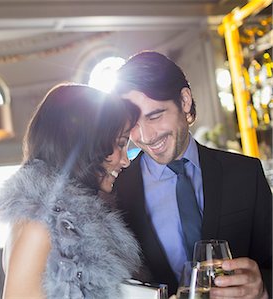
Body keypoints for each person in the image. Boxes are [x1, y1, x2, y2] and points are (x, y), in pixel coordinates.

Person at [113, 50, 272, 299]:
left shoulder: (245, 173)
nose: (145, 136)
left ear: (184, 101)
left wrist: (264, 287)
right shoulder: (116, 192)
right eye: (133, 123)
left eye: (155, 116)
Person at [0, 83, 142, 298]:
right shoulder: (40, 228)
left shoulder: (66, 222)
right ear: (84, 143)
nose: (125, 160)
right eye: (120, 143)